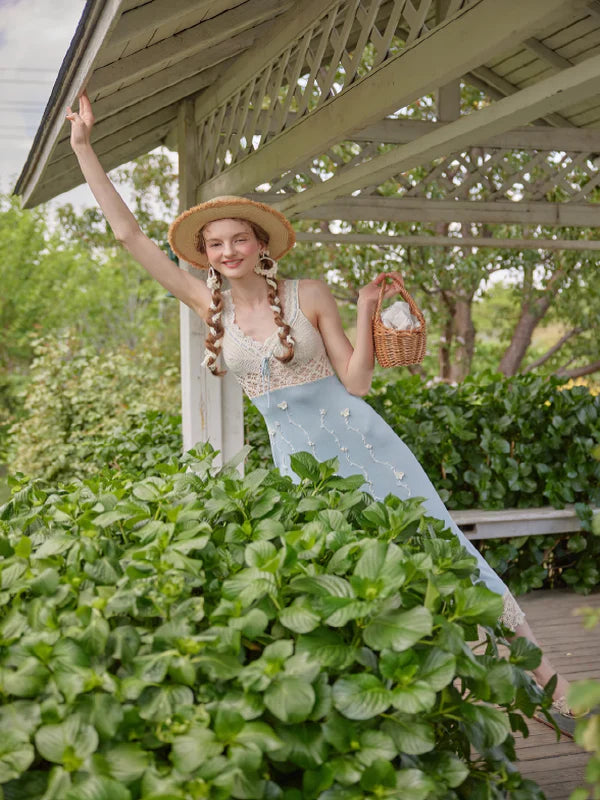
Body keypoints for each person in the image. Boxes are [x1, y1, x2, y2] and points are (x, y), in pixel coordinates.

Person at [67, 92, 573, 726]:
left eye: (239, 239)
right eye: (216, 244)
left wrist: (363, 312)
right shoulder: (208, 307)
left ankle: (552, 687)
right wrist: (85, 147)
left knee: (444, 551)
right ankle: (411, 706)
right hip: (301, 467)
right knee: (349, 578)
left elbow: (357, 382)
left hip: (366, 443)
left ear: (259, 244)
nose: (228, 251)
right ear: (205, 254)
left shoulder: (310, 293)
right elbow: (127, 234)